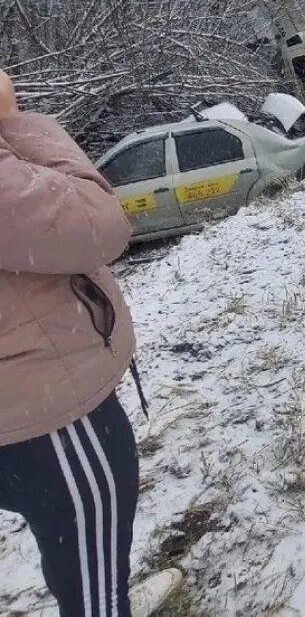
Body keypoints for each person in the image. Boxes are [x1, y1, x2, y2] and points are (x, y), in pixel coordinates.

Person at [0, 70, 179, 616]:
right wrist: (13, 119)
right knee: (92, 593)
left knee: (76, 558)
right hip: (48, 419)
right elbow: (99, 224)